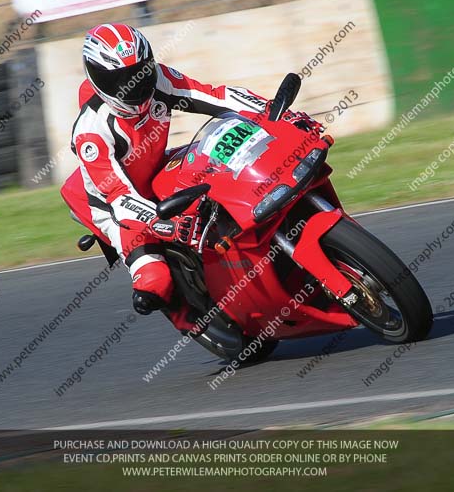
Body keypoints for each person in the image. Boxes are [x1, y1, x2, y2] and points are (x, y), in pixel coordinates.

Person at [62, 23, 321, 333]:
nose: (134, 85)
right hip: (114, 207)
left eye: (140, 73)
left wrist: (271, 112)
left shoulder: (157, 79)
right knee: (155, 280)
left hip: (156, 167)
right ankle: (195, 321)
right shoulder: (91, 132)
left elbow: (211, 96)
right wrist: (165, 226)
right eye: (121, 80)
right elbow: (118, 198)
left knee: (220, 170)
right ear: (98, 78)